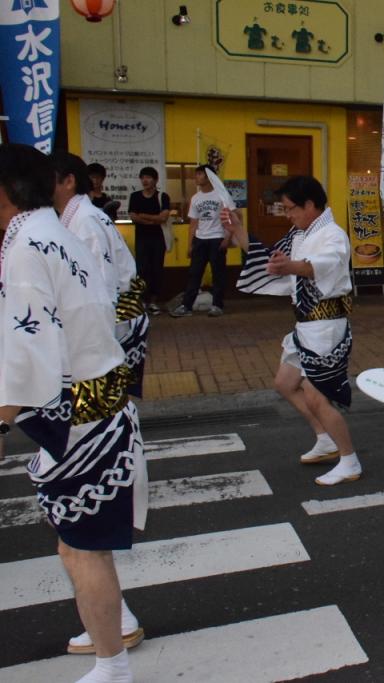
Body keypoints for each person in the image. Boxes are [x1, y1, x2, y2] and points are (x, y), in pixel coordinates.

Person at [0, 143, 147, 683]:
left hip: (81, 413)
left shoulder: (29, 245)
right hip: (96, 402)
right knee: (79, 545)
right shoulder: (57, 232)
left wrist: (2, 418)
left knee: (83, 549)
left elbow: (26, 346)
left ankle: (113, 664)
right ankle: (113, 636)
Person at [228, 176, 362, 486]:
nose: (288, 215)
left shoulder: (333, 235)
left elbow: (321, 265)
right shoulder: (300, 233)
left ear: (311, 205)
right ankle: (325, 438)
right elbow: (271, 259)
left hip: (327, 326)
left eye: (291, 209)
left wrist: (291, 267)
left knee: (317, 397)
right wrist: (237, 229)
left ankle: (349, 458)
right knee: (286, 382)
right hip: (306, 324)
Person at [53, 152, 150, 399]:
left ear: (69, 181)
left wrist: (99, 340)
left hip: (109, 319)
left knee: (103, 401)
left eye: (47, 178)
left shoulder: (85, 221)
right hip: (106, 317)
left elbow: (103, 285)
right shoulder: (80, 216)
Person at [170, 165, 237, 318]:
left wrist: (227, 238)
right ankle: (186, 306)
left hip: (217, 238)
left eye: (200, 174)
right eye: (197, 174)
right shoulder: (196, 198)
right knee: (194, 274)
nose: (196, 177)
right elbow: (193, 223)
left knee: (218, 274)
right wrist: (189, 244)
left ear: (209, 177)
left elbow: (232, 218)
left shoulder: (222, 195)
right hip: (200, 240)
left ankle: (217, 305)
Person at [127, 167, 170, 314]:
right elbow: (133, 216)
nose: (145, 180)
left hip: (159, 239)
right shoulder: (135, 196)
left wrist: (144, 216)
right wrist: (153, 219)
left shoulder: (163, 196)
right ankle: (143, 301)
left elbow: (163, 217)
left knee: (156, 269)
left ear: (156, 180)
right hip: (141, 239)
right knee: (142, 269)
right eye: (143, 177)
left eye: (148, 177)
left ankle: (154, 301)